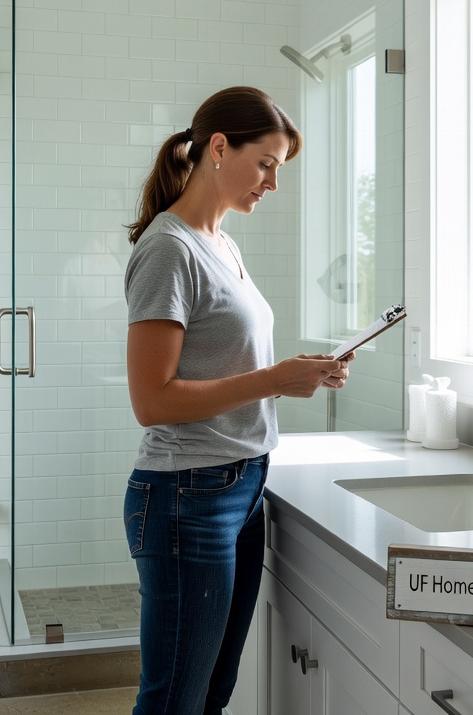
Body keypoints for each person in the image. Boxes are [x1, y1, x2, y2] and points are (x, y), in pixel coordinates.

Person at [122, 86, 350, 715]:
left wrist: (298, 374)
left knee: (212, 695)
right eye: (266, 164)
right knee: (175, 701)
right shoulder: (169, 249)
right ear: (219, 148)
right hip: (187, 495)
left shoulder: (222, 243)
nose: (272, 183)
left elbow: (229, 364)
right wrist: (276, 379)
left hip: (242, 487)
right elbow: (152, 401)